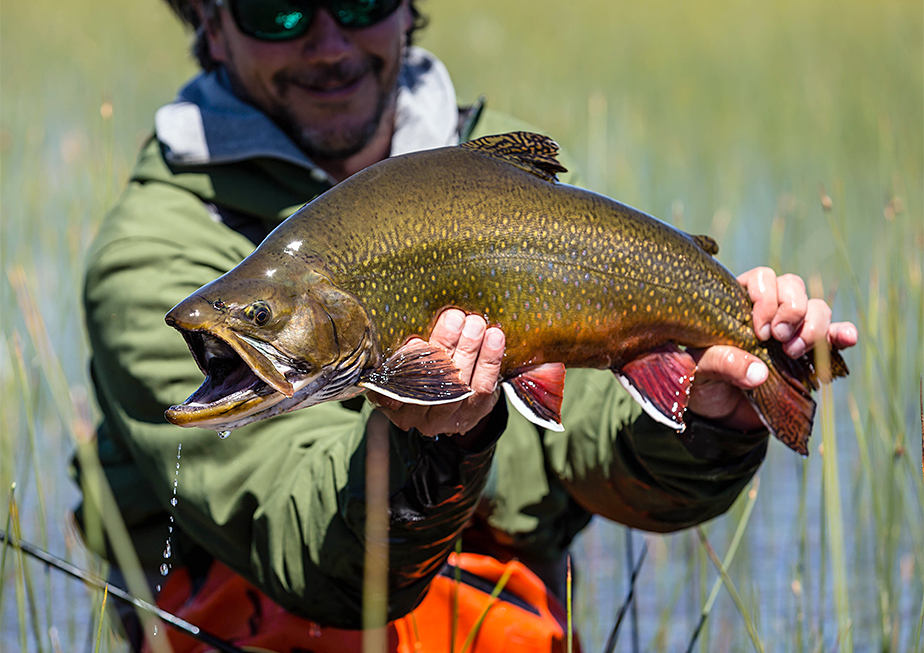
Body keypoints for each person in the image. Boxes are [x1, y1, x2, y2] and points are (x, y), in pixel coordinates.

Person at [76, 0, 858, 650]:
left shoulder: (498, 184)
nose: (328, 43)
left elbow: (593, 450)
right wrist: (426, 449)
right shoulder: (154, 258)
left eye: (358, 2)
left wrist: (713, 420)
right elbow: (298, 537)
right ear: (211, 23)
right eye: (276, 10)